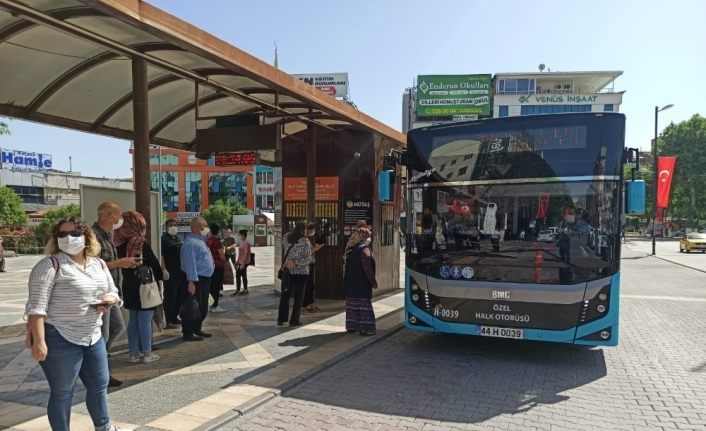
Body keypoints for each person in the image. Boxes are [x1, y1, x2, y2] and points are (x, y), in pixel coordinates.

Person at [25, 216, 122, 431]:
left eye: (75, 234)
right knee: (63, 392)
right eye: (63, 234)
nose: (68, 238)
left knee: (99, 385)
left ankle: (104, 427)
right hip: (59, 336)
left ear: (87, 238)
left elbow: (113, 291)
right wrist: (39, 341)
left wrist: (109, 301)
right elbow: (36, 309)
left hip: (93, 335)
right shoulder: (49, 265)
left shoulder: (99, 264)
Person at [92, 202, 139, 388]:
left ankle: (98, 356)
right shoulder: (93, 236)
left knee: (117, 327)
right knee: (103, 334)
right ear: (110, 217)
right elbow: (93, 265)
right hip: (99, 293)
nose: (120, 221)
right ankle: (100, 371)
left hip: (110, 291)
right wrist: (120, 263)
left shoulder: (108, 236)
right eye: (119, 217)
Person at [114, 211, 163, 363]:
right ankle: (147, 353)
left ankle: (133, 353)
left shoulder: (118, 242)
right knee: (145, 319)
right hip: (144, 285)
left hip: (128, 284)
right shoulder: (140, 243)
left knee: (133, 320)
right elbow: (154, 264)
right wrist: (161, 278)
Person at [180, 217, 215, 341]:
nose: (205, 228)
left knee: (201, 306)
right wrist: (191, 281)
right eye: (202, 226)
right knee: (192, 306)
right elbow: (190, 264)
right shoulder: (191, 243)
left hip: (204, 279)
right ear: (195, 228)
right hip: (196, 279)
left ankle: (197, 329)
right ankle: (188, 332)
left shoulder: (200, 241)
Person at [343, 227, 377, 336]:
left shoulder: (350, 249)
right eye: (369, 237)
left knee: (352, 305)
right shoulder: (364, 250)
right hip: (362, 283)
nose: (370, 239)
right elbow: (367, 268)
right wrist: (373, 281)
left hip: (350, 283)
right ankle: (366, 329)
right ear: (365, 238)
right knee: (364, 306)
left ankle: (352, 326)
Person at [277, 221, 312, 327]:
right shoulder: (305, 242)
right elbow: (308, 259)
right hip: (301, 273)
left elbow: (285, 249)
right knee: (298, 297)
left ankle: (281, 319)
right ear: (303, 230)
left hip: (287, 271)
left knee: (285, 295)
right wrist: (296, 262)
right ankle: (294, 320)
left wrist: (291, 261)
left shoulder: (286, 237)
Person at [160, 219, 184, 328]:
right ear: (166, 227)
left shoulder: (177, 238)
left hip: (180, 272)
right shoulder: (163, 239)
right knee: (170, 296)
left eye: (175, 225)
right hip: (170, 272)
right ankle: (168, 319)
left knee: (179, 296)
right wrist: (164, 269)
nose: (173, 227)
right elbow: (161, 256)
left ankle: (175, 316)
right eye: (171, 225)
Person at [205, 223, 226, 313]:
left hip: (210, 265)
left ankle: (210, 304)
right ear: (218, 231)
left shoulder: (207, 240)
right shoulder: (217, 241)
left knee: (211, 286)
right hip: (218, 266)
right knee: (217, 286)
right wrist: (225, 261)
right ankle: (215, 305)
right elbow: (221, 255)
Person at [303, 222, 323, 312]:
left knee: (310, 285)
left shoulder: (307, 239)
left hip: (310, 264)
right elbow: (306, 253)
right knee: (307, 285)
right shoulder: (304, 239)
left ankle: (310, 303)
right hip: (307, 264)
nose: (314, 231)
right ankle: (306, 305)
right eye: (312, 230)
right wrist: (316, 249)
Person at [234, 229, 252, 295]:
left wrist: (243, 264)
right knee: (243, 275)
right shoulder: (242, 242)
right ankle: (245, 289)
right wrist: (237, 261)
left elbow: (246, 254)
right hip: (241, 261)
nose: (239, 236)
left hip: (244, 262)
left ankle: (238, 290)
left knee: (238, 275)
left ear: (243, 235)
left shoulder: (246, 243)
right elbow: (240, 253)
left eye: (240, 235)